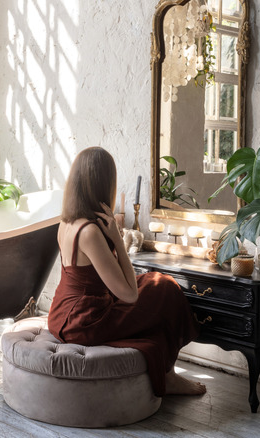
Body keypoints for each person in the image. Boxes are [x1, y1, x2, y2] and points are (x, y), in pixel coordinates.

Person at [48, 146, 206, 396]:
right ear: (103, 183)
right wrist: (118, 241)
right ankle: (169, 376)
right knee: (164, 288)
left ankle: (169, 373)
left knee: (155, 282)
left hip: (60, 314)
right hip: (84, 322)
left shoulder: (66, 222)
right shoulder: (89, 232)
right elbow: (129, 295)